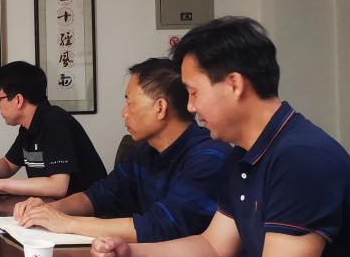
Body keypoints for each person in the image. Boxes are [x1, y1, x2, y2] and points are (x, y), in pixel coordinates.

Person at [91, 17, 350, 257]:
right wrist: (130, 255)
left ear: (233, 84)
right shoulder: (244, 155)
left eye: (194, 93)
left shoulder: (299, 158)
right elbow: (213, 246)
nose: (190, 107)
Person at [14, 57, 229, 241]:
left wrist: (67, 223)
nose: (123, 112)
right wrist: (47, 210)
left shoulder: (210, 156)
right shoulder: (145, 152)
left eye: (130, 103)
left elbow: (160, 226)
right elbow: (99, 195)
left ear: (160, 108)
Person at [0, 61, 106, 197]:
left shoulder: (54, 121)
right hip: (55, 208)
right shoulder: (29, 126)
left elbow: (58, 186)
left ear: (18, 100)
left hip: (89, 212)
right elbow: (8, 165)